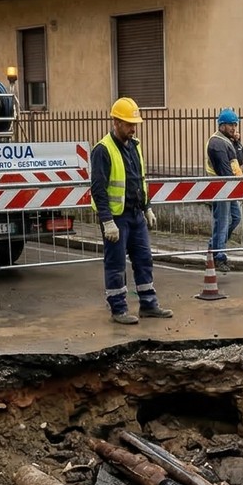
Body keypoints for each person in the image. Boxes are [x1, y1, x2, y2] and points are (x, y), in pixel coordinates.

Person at [90, 97, 173, 325]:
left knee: (144, 260)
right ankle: (118, 309)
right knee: (116, 264)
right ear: (116, 122)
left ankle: (149, 304)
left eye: (134, 124)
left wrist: (147, 208)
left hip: (136, 215)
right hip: (117, 217)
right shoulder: (103, 150)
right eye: (129, 124)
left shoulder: (134, 146)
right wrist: (107, 221)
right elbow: (98, 189)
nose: (133, 128)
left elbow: (139, 180)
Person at [206, 109, 243, 270]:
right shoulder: (216, 143)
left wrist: (237, 142)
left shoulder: (227, 141)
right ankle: (219, 257)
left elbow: (239, 160)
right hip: (221, 188)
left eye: (235, 124)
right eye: (230, 125)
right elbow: (225, 171)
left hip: (229, 188)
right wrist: (234, 186)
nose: (233, 128)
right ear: (221, 125)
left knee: (235, 218)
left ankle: (214, 245)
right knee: (222, 222)